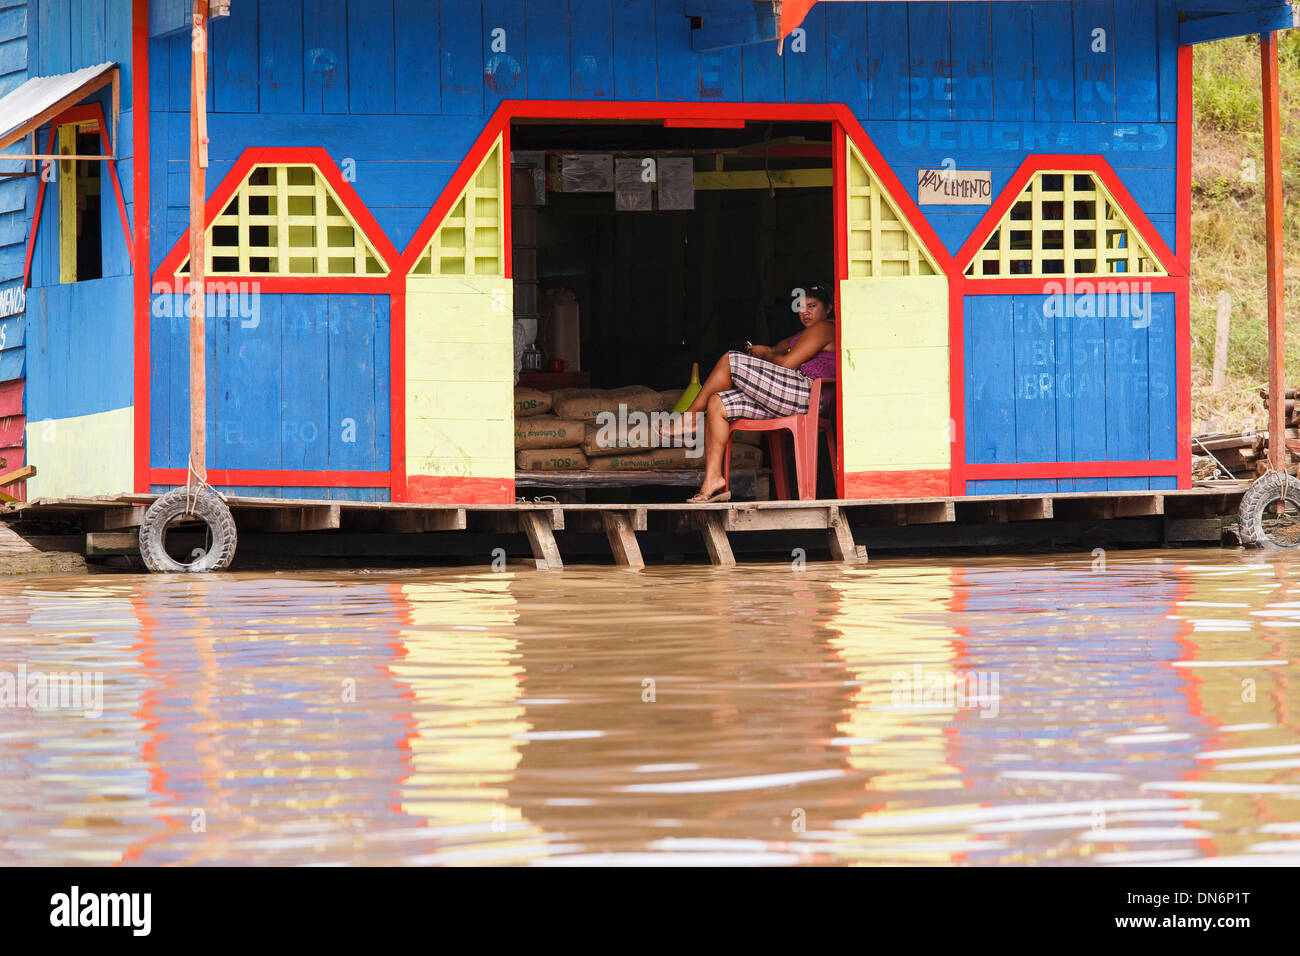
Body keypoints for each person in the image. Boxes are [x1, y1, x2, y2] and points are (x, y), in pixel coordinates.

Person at [665, 281, 837, 503]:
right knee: (718, 403)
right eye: (801, 307)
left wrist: (766, 355)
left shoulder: (825, 328)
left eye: (812, 306)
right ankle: (712, 480)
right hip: (788, 395)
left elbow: (785, 364)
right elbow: (783, 346)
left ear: (829, 308)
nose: (805, 312)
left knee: (731, 360)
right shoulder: (802, 335)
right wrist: (768, 350)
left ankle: (689, 417)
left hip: (807, 394)